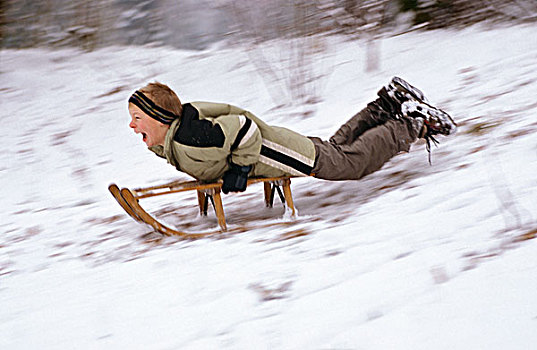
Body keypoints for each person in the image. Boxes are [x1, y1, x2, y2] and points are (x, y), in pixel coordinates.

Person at [127, 77, 456, 193]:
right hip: (278, 146)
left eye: (137, 118)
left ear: (159, 118)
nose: (132, 126)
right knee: (336, 148)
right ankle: (385, 105)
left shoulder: (191, 136)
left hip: (276, 151)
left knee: (349, 164)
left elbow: (244, 129)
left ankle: (412, 124)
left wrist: (240, 169)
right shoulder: (178, 136)